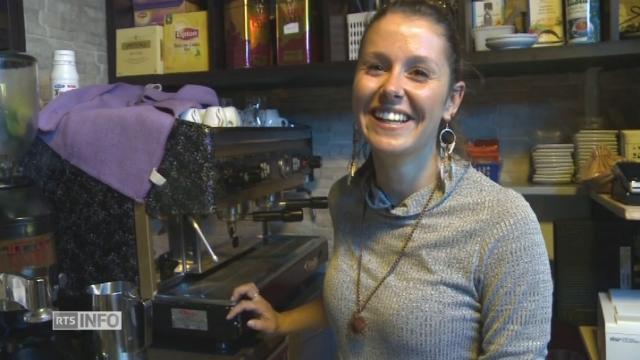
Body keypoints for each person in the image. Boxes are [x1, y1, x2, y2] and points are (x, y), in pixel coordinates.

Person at [226, 0, 553, 358]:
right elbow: (358, 300)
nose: (392, 87)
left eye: (419, 72)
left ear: (452, 100)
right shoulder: (346, 198)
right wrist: (282, 321)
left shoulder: (504, 224)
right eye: (376, 66)